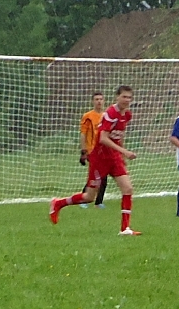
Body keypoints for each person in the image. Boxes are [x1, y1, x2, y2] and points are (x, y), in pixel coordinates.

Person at [50, 86, 141, 235]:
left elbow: (120, 135)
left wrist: (122, 155)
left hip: (114, 158)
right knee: (89, 197)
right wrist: (123, 151)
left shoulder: (127, 115)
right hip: (100, 158)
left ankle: (125, 229)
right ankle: (58, 203)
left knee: (128, 188)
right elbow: (103, 138)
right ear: (117, 97)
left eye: (129, 97)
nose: (127, 100)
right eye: (124, 97)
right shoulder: (110, 114)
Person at [78, 91, 107, 209]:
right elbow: (83, 134)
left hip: (104, 151)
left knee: (101, 176)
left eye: (101, 99)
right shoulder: (88, 116)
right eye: (96, 99)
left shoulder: (106, 116)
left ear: (104, 101)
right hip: (92, 151)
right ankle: (85, 199)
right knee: (97, 176)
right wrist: (84, 151)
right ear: (92, 101)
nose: (99, 101)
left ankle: (98, 202)